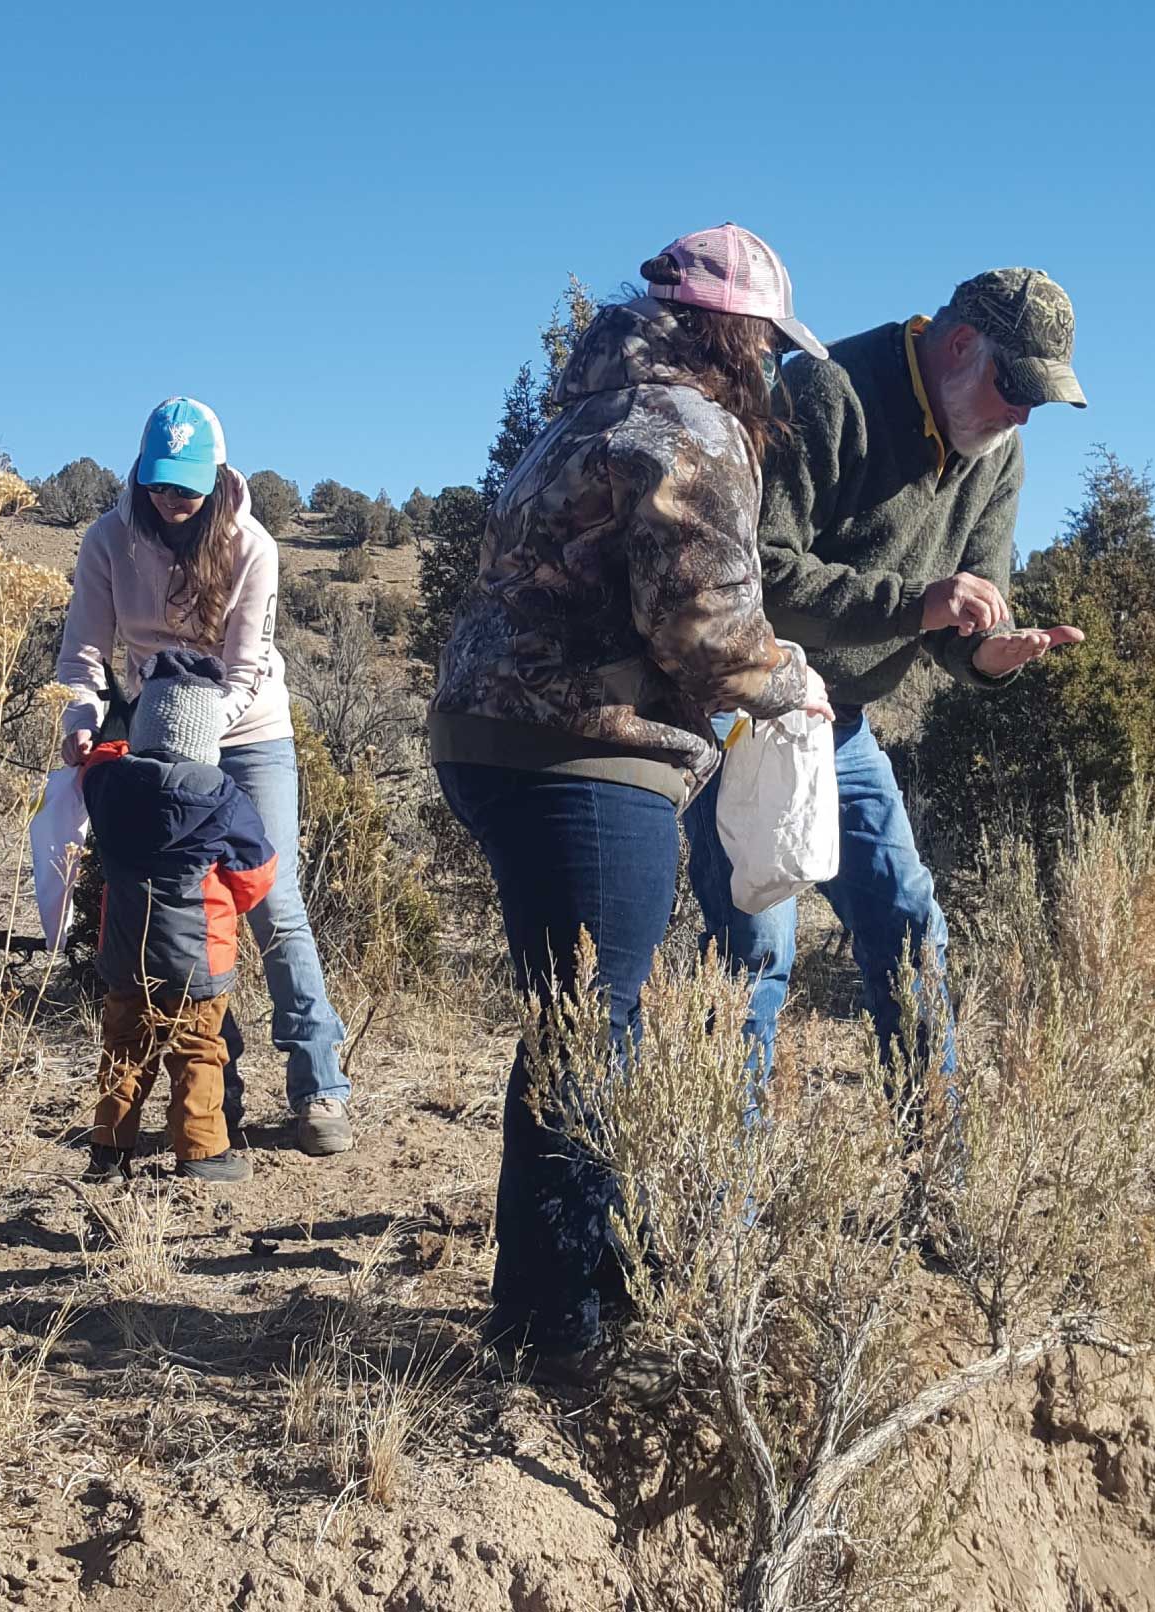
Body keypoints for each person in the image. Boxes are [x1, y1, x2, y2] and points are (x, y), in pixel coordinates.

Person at [429, 224, 834, 1381]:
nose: (767, 368)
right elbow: (700, 627)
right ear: (739, 333)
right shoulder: (689, 425)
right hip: (583, 751)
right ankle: (557, 1332)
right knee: (589, 1027)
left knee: (579, 1016)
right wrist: (787, 681)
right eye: (764, 343)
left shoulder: (586, 408)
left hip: (491, 734)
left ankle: (575, 1288)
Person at [684, 268, 1089, 1074]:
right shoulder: (831, 393)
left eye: (1038, 400)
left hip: (845, 726)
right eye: (1015, 386)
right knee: (754, 952)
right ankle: (718, 1195)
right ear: (960, 344)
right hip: (749, 711)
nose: (1020, 412)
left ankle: (938, 1168)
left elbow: (957, 612)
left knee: (911, 926)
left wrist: (983, 653)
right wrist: (920, 606)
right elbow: (756, 574)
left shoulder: (997, 455)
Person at [56, 397, 352, 1156]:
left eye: (186, 485)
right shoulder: (108, 540)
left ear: (216, 477)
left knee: (269, 895)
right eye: (159, 483)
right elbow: (85, 653)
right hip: (151, 735)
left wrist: (197, 739)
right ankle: (217, 1096)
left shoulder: (251, 545)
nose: (171, 499)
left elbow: (246, 669)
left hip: (246, 733)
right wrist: (84, 718)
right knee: (171, 904)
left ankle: (318, 1086)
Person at [82, 653, 278, 1184]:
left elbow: (99, 757)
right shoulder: (223, 796)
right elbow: (257, 874)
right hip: (199, 954)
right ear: (206, 733)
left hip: (125, 949)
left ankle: (108, 1151)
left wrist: (119, 732)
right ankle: (201, 1151)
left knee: (124, 1048)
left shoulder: (108, 785)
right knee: (198, 1050)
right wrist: (228, 901)